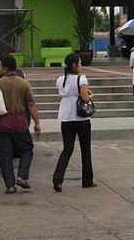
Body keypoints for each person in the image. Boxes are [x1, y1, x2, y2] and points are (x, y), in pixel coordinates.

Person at [0, 56, 41, 194]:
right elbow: (31, 104)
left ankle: (10, 186)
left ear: (6, 68)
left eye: (0, 67)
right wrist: (37, 123)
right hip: (20, 124)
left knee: (5, 155)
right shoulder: (24, 83)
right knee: (27, 149)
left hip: (2, 125)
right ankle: (22, 175)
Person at [53, 53, 96, 191]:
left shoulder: (60, 79)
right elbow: (84, 97)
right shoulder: (81, 79)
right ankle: (87, 180)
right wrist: (91, 95)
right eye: (80, 63)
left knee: (67, 149)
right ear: (74, 65)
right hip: (81, 118)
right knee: (85, 149)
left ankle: (58, 178)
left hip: (66, 117)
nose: (81, 65)